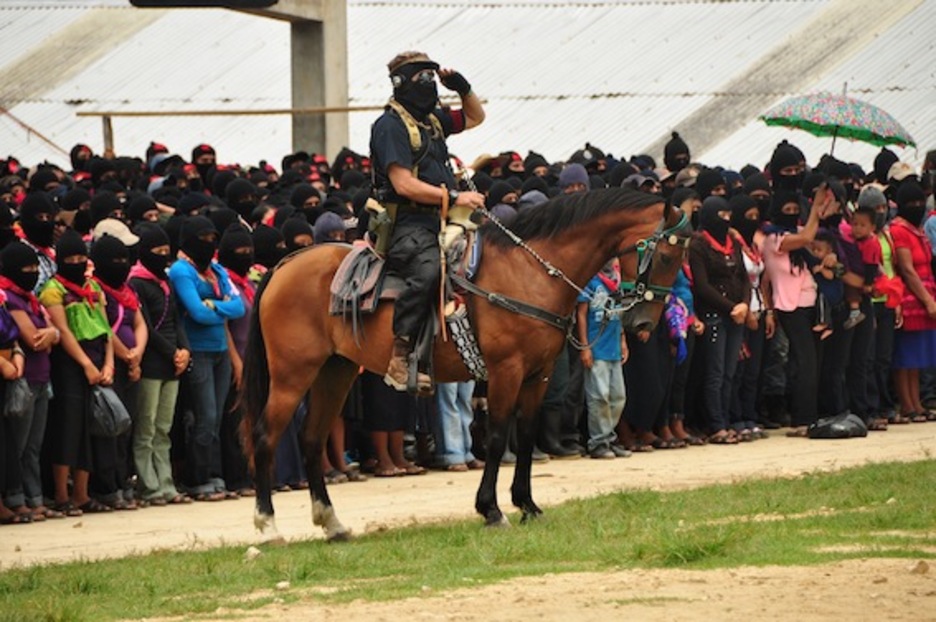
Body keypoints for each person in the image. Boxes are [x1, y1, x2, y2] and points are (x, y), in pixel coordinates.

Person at [369, 50, 486, 393]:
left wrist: (462, 87)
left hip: (442, 219)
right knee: (428, 270)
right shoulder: (389, 126)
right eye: (421, 78)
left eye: (432, 78)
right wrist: (455, 197)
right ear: (401, 83)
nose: (429, 84)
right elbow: (403, 184)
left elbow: (475, 117)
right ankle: (401, 352)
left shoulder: (431, 120)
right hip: (406, 224)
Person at [168, 216, 245, 501]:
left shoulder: (217, 269)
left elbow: (238, 307)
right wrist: (218, 306)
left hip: (220, 351)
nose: (210, 244)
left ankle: (214, 475)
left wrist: (214, 305)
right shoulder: (180, 271)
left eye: (213, 238)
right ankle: (197, 478)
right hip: (197, 351)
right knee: (204, 416)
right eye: (203, 238)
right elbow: (196, 313)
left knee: (215, 418)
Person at [40, 229, 116, 516]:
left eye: (80, 258)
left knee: (88, 430)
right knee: (68, 428)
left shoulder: (93, 288)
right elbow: (63, 331)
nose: (76, 262)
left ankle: (82, 494)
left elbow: (106, 328)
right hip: (69, 365)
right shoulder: (53, 290)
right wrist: (85, 364)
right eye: (69, 258)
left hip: (97, 361)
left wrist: (108, 363)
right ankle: (61, 494)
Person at [129, 223, 192, 506]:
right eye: (158, 251)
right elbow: (147, 328)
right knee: (146, 427)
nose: (163, 255)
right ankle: (148, 485)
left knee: (163, 428)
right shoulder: (136, 283)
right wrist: (172, 352)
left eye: (167, 251)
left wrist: (185, 350)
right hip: (153, 362)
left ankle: (166, 484)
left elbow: (176, 320)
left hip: (173, 364)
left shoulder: (164, 281)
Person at [0, 242, 63, 520]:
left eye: (36, 268)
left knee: (34, 446)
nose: (33, 273)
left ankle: (34, 498)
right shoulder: (9, 299)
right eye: (26, 268)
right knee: (17, 444)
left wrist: (51, 334)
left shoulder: (30, 298)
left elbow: (53, 333)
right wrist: (50, 334)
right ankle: (15, 498)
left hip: (41, 376)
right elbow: (34, 339)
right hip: (20, 380)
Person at [688, 196, 751, 444]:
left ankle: (725, 419)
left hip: (737, 314)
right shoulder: (698, 245)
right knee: (714, 372)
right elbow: (702, 285)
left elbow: (745, 277)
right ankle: (715, 425)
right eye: (721, 216)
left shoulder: (732, 242)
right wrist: (731, 307)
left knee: (729, 371)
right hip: (714, 313)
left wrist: (745, 304)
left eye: (728, 216)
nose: (725, 221)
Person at [888, 182, 936, 423]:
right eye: (911, 204)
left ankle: (916, 402)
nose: (916, 207)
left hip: (926, 291)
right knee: (905, 356)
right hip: (909, 297)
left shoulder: (918, 230)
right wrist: (927, 300)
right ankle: (907, 405)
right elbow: (907, 269)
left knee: (917, 357)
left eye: (920, 203)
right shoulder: (899, 230)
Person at [576, 259, 630, 459]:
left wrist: (623, 340)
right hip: (596, 345)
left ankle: (609, 436)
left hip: (613, 346)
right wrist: (585, 346)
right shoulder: (590, 281)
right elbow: (581, 314)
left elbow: (619, 314)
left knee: (618, 397)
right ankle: (598, 442)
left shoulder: (616, 280)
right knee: (599, 396)